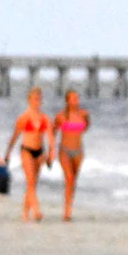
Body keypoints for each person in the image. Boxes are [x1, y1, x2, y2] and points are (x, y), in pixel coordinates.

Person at [3, 88, 51, 223]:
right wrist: (8, 153)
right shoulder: (23, 118)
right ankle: (36, 211)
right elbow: (15, 136)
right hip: (26, 150)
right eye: (35, 99)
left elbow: (50, 137)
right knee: (30, 181)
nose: (37, 102)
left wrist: (50, 153)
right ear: (29, 100)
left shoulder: (44, 118)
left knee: (32, 184)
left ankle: (25, 212)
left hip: (39, 152)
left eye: (39, 99)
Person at [52, 90, 90, 222]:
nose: (76, 101)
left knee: (73, 181)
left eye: (77, 98)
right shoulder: (61, 116)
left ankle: (69, 206)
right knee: (69, 178)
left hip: (78, 151)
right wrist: (51, 150)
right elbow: (53, 132)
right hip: (64, 150)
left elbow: (86, 127)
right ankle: (66, 211)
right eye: (73, 98)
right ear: (67, 101)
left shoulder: (83, 114)